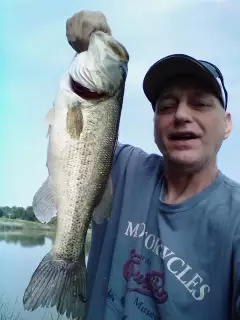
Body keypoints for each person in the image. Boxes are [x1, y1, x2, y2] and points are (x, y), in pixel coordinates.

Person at [66, 10, 240, 320]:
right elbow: (79, 137)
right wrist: (95, 47)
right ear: (155, 123)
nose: (182, 115)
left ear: (227, 125)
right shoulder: (123, 168)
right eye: (166, 106)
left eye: (200, 103)